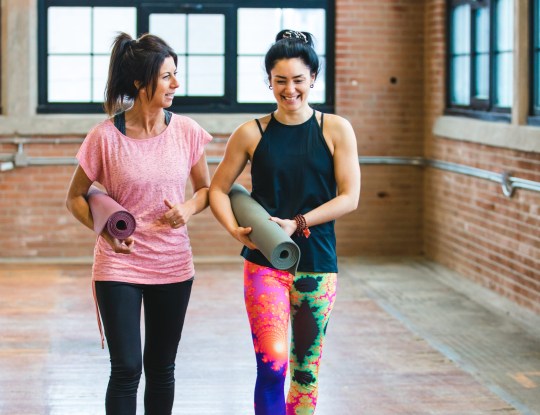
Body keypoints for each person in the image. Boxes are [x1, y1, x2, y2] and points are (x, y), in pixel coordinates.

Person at [209, 29, 361, 415]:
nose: (289, 89)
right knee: (272, 368)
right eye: (280, 81)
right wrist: (234, 229)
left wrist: (298, 222)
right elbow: (217, 189)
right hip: (264, 266)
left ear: (313, 78)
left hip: (317, 267)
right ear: (269, 82)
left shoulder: (336, 129)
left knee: (305, 373)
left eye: (298, 79)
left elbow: (350, 197)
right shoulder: (251, 133)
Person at [65, 32, 212, 415]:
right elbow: (74, 197)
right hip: (119, 264)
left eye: (175, 75)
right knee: (127, 367)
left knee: (161, 368)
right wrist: (106, 235)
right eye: (166, 76)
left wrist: (188, 209)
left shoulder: (187, 132)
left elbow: (206, 191)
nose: (176, 84)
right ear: (138, 81)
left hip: (173, 264)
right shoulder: (104, 138)